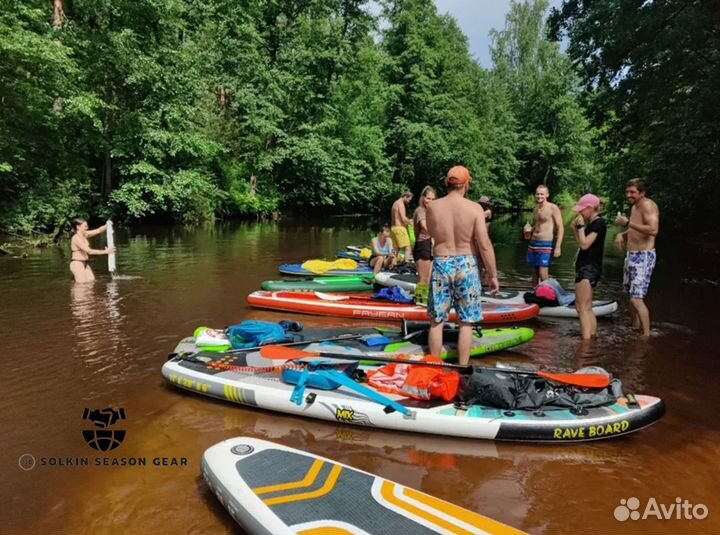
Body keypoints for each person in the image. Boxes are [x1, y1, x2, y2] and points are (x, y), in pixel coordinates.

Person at [426, 166, 499, 365]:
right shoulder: (475, 208)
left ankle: (432, 369)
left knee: (437, 321)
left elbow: (431, 235)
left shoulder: (432, 207)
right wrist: (492, 275)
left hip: (442, 262)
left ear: (447, 183)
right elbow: (484, 245)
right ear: (466, 184)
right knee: (466, 322)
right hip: (466, 263)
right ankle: (463, 368)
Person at [615, 178, 660, 337]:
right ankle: (635, 327)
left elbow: (653, 230)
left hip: (644, 256)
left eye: (632, 192)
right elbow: (636, 229)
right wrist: (622, 234)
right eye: (627, 192)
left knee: (636, 298)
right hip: (632, 255)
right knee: (629, 294)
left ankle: (646, 336)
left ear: (642, 192)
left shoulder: (648, 205)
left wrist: (628, 223)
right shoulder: (635, 207)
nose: (629, 195)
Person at [571, 194, 607, 340]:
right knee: (587, 308)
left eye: (582, 210)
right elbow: (581, 243)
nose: (580, 213)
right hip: (590, 268)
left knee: (582, 308)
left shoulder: (598, 224)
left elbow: (585, 245)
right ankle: (591, 338)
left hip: (588, 269)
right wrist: (576, 229)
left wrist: (580, 227)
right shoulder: (594, 224)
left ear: (591, 208)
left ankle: (585, 345)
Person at [525, 185, 564, 285]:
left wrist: (558, 247)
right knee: (534, 271)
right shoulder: (536, 208)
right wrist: (529, 230)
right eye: (537, 194)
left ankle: (547, 295)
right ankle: (535, 293)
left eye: (542, 194)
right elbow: (537, 225)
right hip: (533, 242)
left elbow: (560, 227)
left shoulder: (553, 208)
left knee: (543, 272)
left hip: (545, 243)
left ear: (547, 195)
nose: (539, 196)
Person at [69, 218, 115, 283]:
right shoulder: (76, 238)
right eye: (85, 226)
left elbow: (99, 230)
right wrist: (105, 252)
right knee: (81, 286)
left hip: (85, 263)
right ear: (78, 227)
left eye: (87, 226)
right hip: (77, 263)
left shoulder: (85, 234)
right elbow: (89, 251)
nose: (87, 228)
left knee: (91, 282)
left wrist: (107, 225)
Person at [413, 186, 436, 286]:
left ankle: (425, 300)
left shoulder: (431, 211)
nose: (430, 201)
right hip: (423, 245)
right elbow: (424, 225)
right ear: (423, 198)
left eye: (433, 199)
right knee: (423, 280)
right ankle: (420, 301)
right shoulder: (420, 210)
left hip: (430, 246)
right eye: (428, 198)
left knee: (428, 280)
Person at [390, 191, 413, 262]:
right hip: (399, 228)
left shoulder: (395, 203)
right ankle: (406, 263)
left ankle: (391, 264)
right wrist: (412, 222)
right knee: (408, 247)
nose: (409, 202)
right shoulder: (400, 204)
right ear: (405, 196)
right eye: (409, 199)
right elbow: (403, 218)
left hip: (393, 228)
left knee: (396, 248)